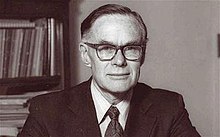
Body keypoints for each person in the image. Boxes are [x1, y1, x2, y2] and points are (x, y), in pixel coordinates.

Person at [18, 4, 201, 137]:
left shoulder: (169, 108)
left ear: (142, 55)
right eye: (106, 48)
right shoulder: (47, 111)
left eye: (131, 48)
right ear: (85, 54)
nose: (119, 61)